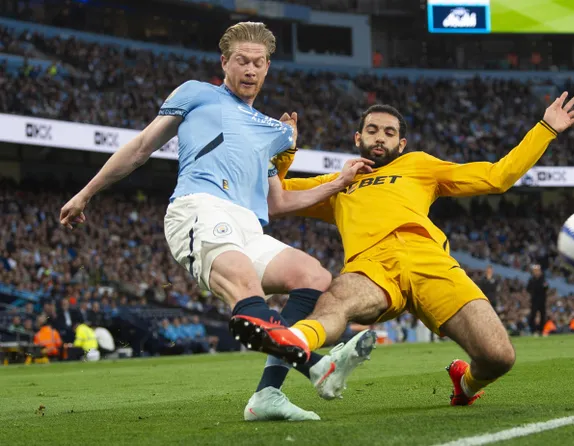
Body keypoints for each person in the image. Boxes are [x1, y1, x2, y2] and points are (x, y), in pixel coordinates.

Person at [59, 21, 376, 421]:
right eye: (242, 61)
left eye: (258, 63)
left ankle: (267, 396)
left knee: (313, 276)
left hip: (249, 226)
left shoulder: (272, 131)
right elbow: (140, 147)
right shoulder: (196, 93)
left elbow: (278, 201)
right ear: (224, 62)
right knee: (245, 287)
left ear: (267, 68)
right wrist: (85, 193)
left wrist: (338, 182)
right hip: (200, 208)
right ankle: (316, 365)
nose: (250, 69)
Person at [232, 92, 574, 406]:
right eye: (372, 130)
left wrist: (546, 128)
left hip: (431, 263)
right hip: (372, 268)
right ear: (358, 138)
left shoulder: (420, 165)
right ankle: (295, 343)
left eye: (389, 133)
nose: (380, 137)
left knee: (499, 357)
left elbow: (497, 177)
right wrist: (285, 151)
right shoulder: (339, 183)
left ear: (401, 144)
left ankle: (465, 384)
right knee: (336, 301)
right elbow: (275, 199)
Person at [527, 264, 549, 336]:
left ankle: (541, 330)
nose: (536, 272)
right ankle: (533, 330)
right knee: (533, 315)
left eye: (537, 270)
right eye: (535, 271)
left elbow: (546, 288)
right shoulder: (531, 280)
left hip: (542, 300)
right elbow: (528, 289)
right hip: (534, 300)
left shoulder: (543, 279)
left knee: (543, 315)